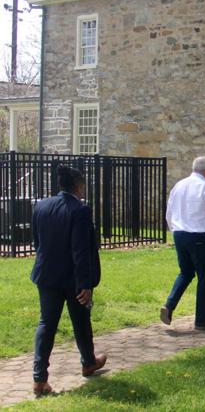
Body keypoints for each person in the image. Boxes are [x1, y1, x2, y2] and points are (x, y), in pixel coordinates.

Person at [30, 165, 106, 396]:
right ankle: (87, 361)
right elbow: (81, 250)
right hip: (72, 278)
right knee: (81, 320)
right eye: (83, 185)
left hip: (46, 275)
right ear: (78, 186)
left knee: (47, 323)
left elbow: (37, 242)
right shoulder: (79, 210)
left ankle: (39, 377)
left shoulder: (41, 206)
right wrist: (86, 284)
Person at [160, 156, 205, 330]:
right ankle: (202, 319)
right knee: (204, 277)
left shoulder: (179, 186)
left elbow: (169, 212)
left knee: (186, 273)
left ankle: (169, 305)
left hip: (180, 234)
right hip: (198, 237)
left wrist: (174, 231)